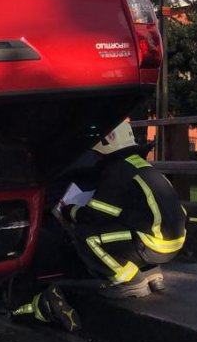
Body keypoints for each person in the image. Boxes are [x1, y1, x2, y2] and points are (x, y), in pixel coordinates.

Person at [55, 120, 188, 298]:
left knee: (86, 236)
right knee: (128, 223)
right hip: (175, 242)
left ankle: (129, 281)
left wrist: (69, 210)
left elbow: (96, 214)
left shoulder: (116, 171)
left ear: (106, 145)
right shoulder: (138, 165)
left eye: (96, 153)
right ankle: (151, 272)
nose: (95, 157)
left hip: (151, 245)